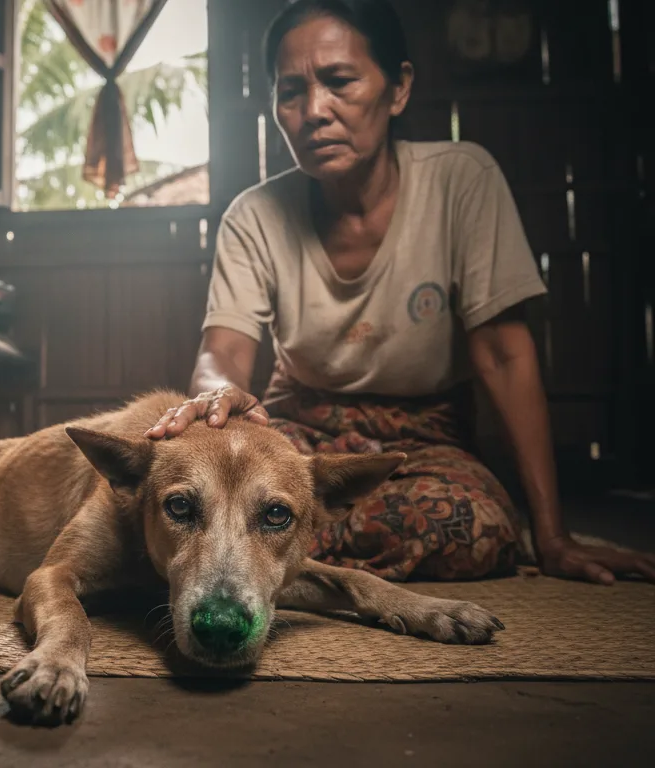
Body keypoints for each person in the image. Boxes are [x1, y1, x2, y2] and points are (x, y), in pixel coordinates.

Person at [145, 0, 655, 585]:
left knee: (477, 528)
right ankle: (275, 548)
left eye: (340, 81)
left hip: (426, 436)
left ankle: (275, 556)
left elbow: (504, 356)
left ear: (398, 89)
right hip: (297, 426)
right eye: (291, 92)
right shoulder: (253, 215)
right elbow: (222, 355)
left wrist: (554, 536)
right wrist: (219, 398)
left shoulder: (462, 181)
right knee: (215, 506)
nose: (315, 110)